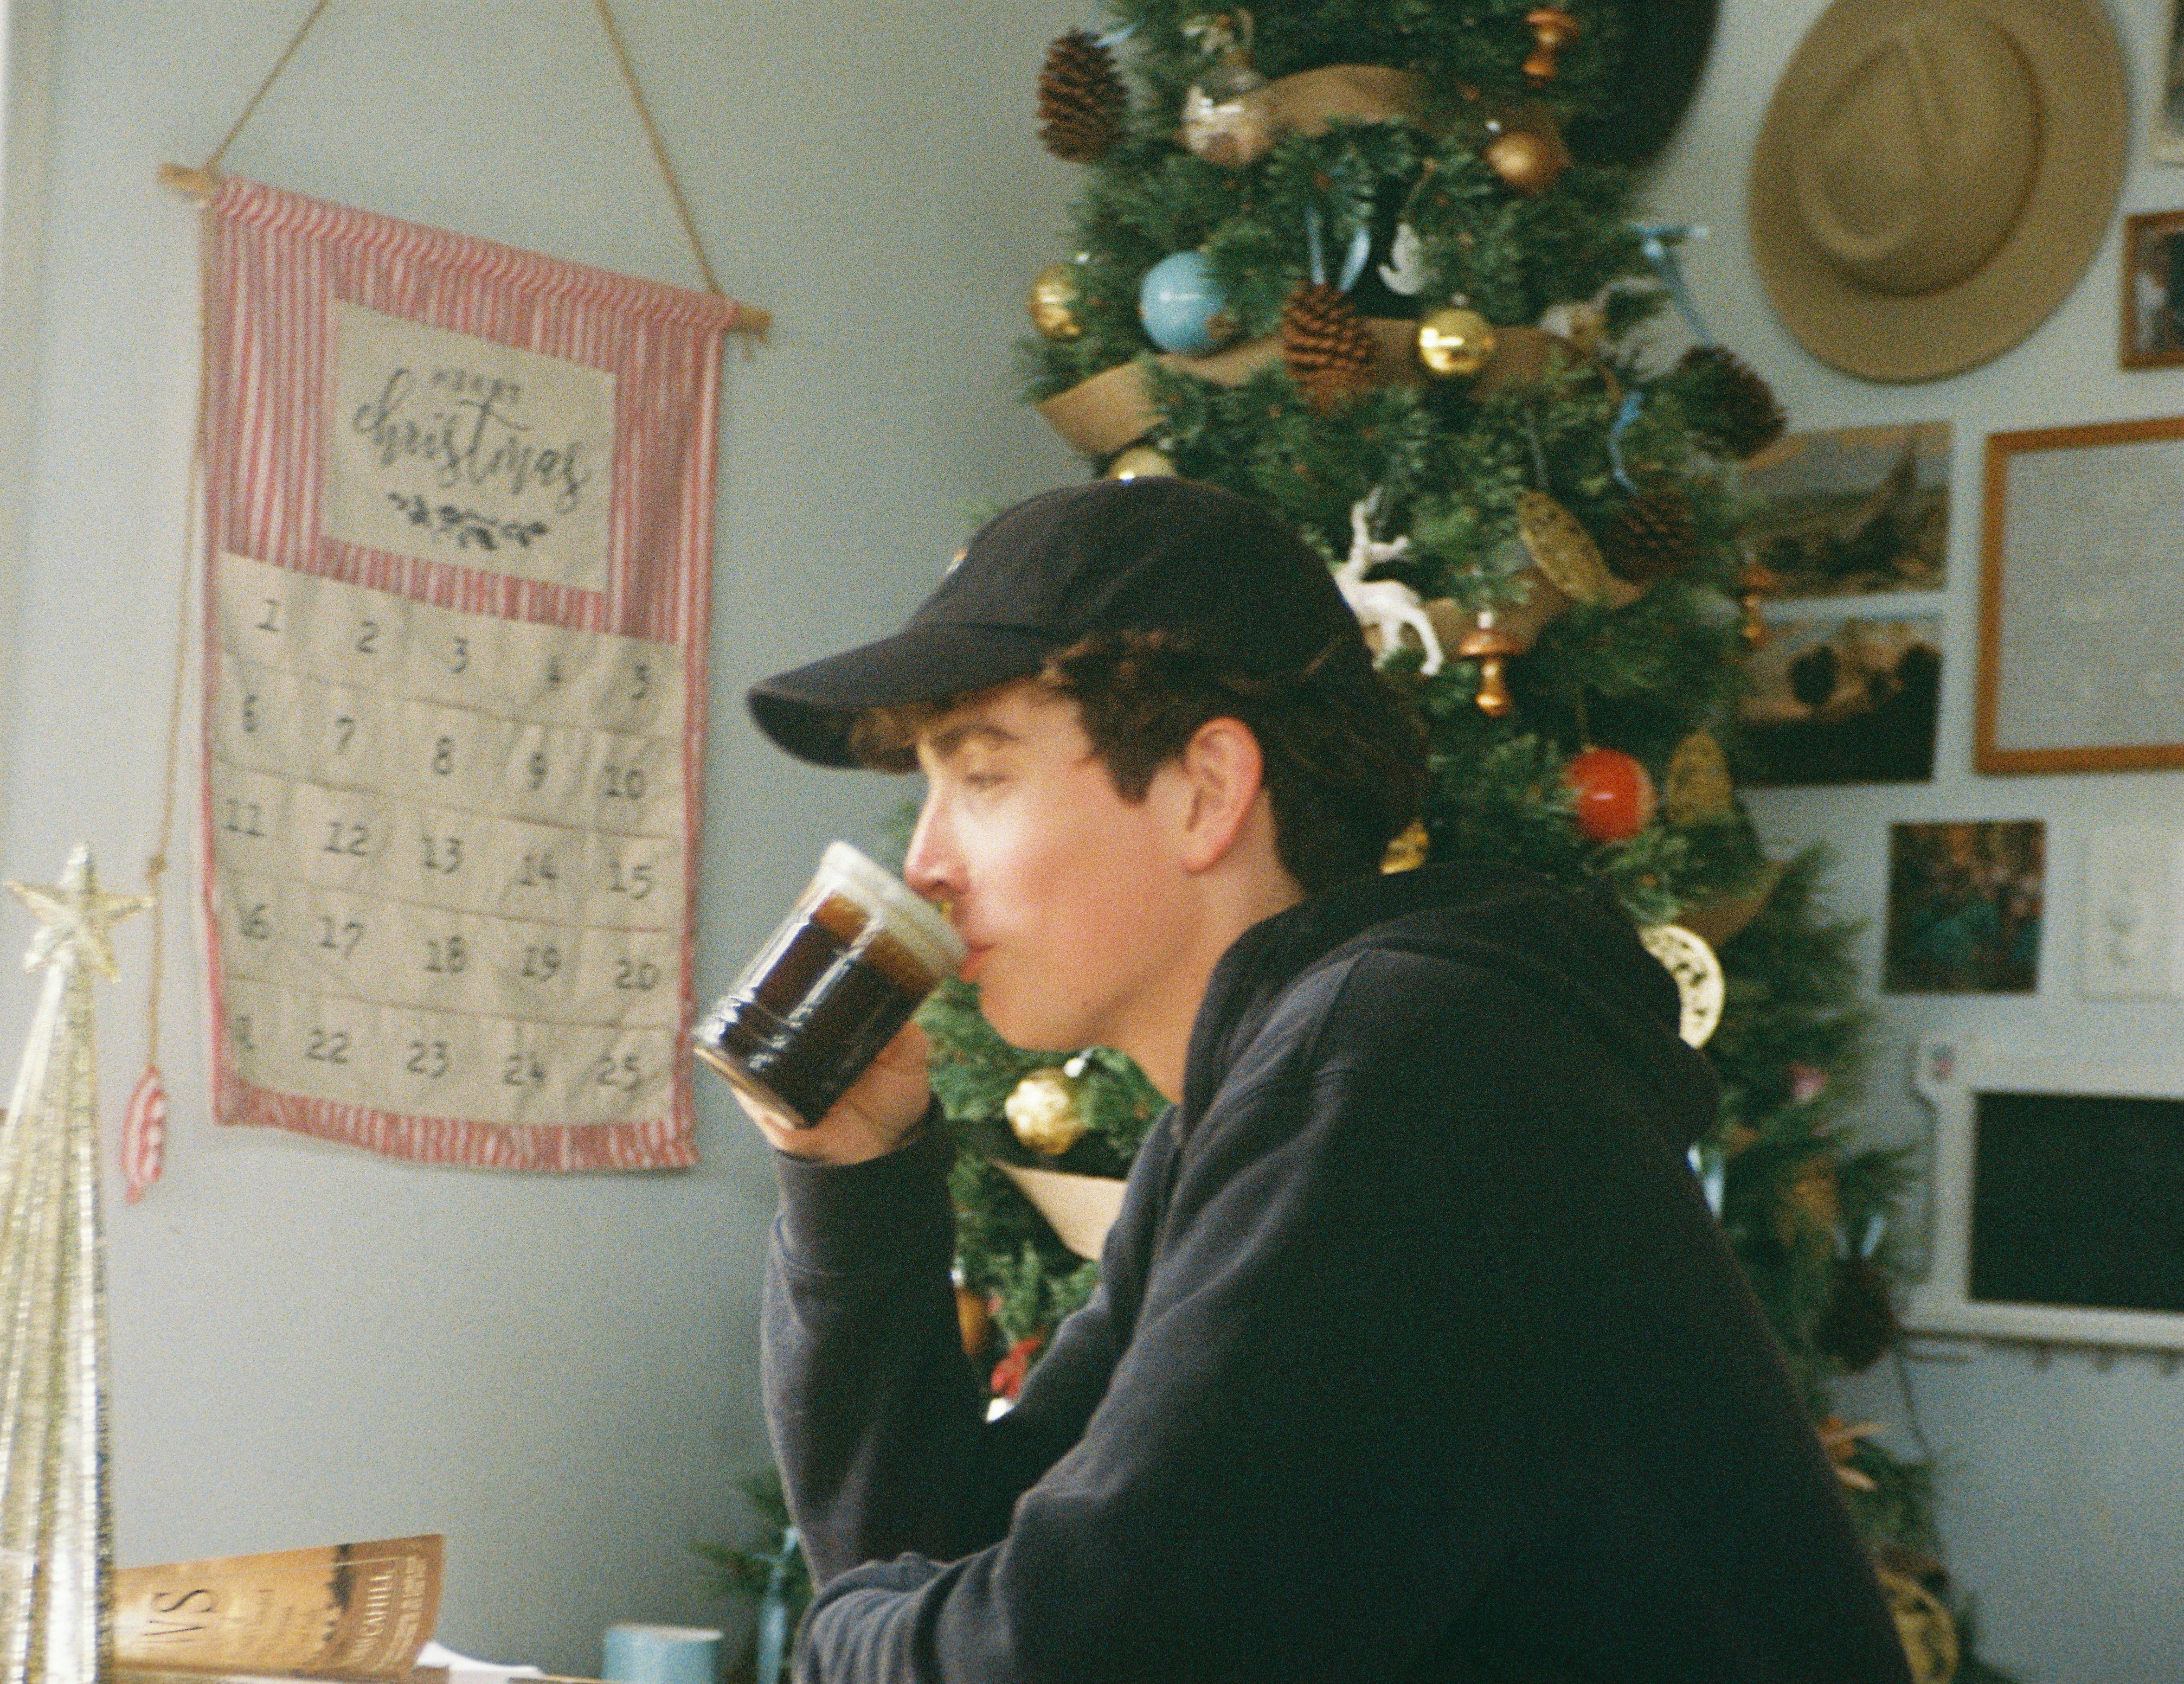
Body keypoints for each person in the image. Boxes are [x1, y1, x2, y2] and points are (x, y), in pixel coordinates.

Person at [730, 477, 1912, 1683]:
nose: (925, 863)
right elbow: (950, 1550)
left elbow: (1080, 1659)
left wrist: (834, 1649)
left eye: (981, 777)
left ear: (1206, 791)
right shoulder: (1257, 1107)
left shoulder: (1405, 1069)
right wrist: (854, 1174)